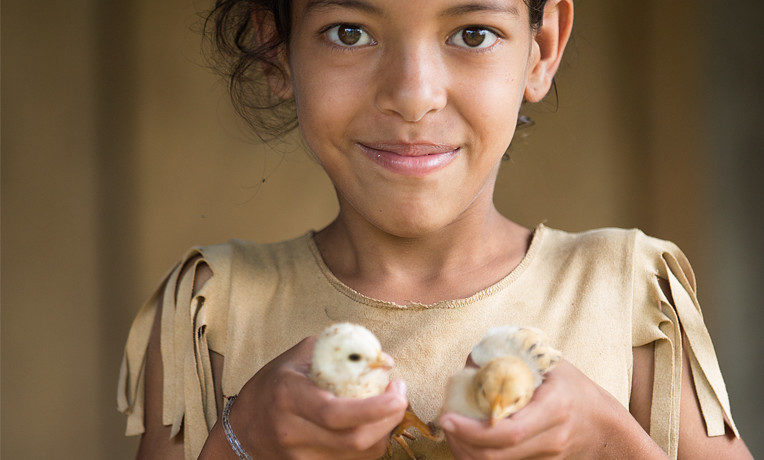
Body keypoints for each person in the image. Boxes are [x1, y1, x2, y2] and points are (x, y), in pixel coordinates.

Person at [117, 0, 753, 458]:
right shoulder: (215, 312)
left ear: (543, 46)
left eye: (472, 33)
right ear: (276, 49)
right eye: (349, 32)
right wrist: (243, 438)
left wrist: (606, 439)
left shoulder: (623, 295)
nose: (414, 94)